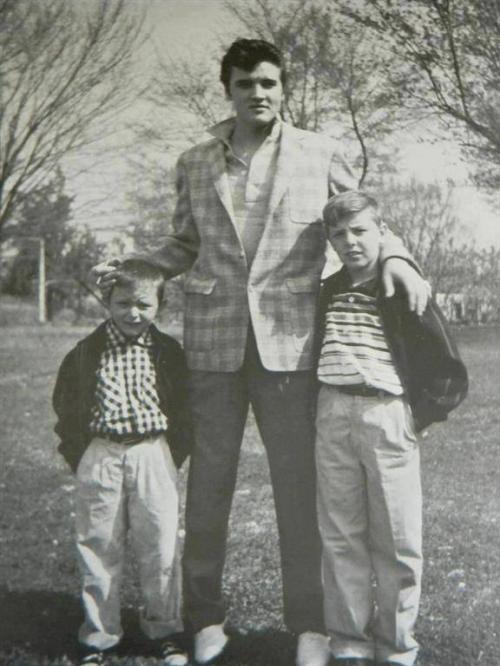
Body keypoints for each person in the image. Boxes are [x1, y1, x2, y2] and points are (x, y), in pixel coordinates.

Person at [94, 39, 430, 666]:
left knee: (299, 491)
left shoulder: (319, 153)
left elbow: (366, 219)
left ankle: (310, 626)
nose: (259, 93)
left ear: (283, 88)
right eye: (246, 83)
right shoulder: (195, 161)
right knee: (209, 488)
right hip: (213, 347)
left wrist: (400, 260)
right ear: (228, 89)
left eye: (269, 82)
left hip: (292, 347)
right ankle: (206, 620)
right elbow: (182, 244)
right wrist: (134, 269)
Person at [314, 191, 468, 666]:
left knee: (397, 537)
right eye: (339, 234)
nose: (350, 241)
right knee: (341, 534)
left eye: (360, 230)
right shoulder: (328, 289)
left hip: (386, 412)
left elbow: (447, 365)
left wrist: (418, 414)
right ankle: (349, 642)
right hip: (333, 411)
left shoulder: (402, 286)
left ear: (382, 232)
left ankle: (398, 645)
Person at [52, 259, 193, 666]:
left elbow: (185, 411)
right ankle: (99, 636)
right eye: (123, 303)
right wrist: (83, 455)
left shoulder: (168, 352)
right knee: (99, 545)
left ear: (160, 306)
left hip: (153, 452)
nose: (133, 313)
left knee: (160, 546)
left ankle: (165, 631)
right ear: (108, 302)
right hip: (101, 452)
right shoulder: (86, 352)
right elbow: (66, 407)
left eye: (144, 305)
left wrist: (168, 454)